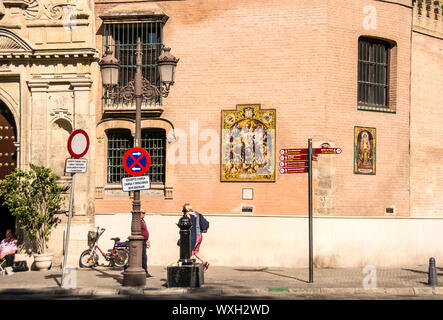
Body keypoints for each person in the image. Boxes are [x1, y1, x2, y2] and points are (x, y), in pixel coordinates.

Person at [183, 203, 210, 271]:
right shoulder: (197, 214)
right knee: (195, 251)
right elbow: (206, 222)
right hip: (200, 236)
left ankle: (190, 269)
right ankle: (204, 262)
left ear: (186, 209)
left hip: (193, 236)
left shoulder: (188, 215)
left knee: (190, 251)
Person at [140, 209, 152, 277]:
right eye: (143, 213)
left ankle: (145, 271)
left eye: (144, 213)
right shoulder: (138, 221)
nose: (144, 214)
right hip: (141, 241)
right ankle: (145, 271)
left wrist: (147, 240)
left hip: (144, 241)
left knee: (144, 257)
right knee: (143, 257)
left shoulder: (143, 221)